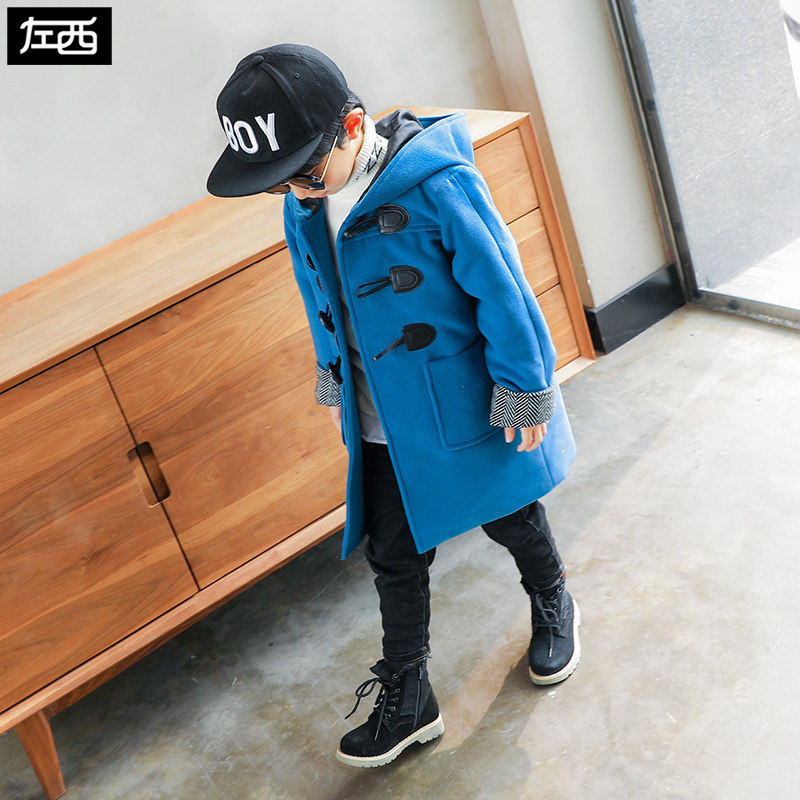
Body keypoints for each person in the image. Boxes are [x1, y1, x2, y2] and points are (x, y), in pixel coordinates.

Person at [207, 43, 581, 768]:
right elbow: (320, 299)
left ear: (352, 128)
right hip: (379, 413)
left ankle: (553, 594)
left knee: (508, 514)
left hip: (460, 399)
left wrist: (525, 388)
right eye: (277, 183)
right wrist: (334, 382)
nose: (295, 193)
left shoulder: (437, 185)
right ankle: (410, 696)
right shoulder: (304, 205)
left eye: (303, 173)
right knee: (393, 554)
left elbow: (503, 290)